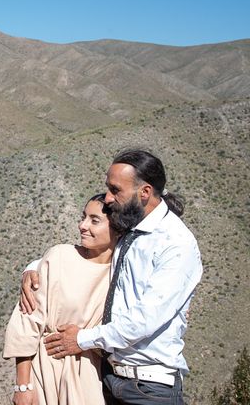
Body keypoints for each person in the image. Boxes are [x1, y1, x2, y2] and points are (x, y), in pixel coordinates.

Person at [21, 149, 202, 404]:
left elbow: (144, 320)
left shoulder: (175, 244)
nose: (108, 197)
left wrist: (81, 339)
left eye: (115, 190)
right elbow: (90, 254)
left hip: (149, 388)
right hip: (108, 379)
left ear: (145, 192)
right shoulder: (131, 226)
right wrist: (35, 267)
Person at [3, 193, 121, 405]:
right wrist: (23, 386)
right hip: (44, 368)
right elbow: (28, 322)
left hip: (89, 376)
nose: (82, 226)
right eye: (83, 217)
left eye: (94, 220)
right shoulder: (59, 256)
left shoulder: (123, 275)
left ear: (117, 227)